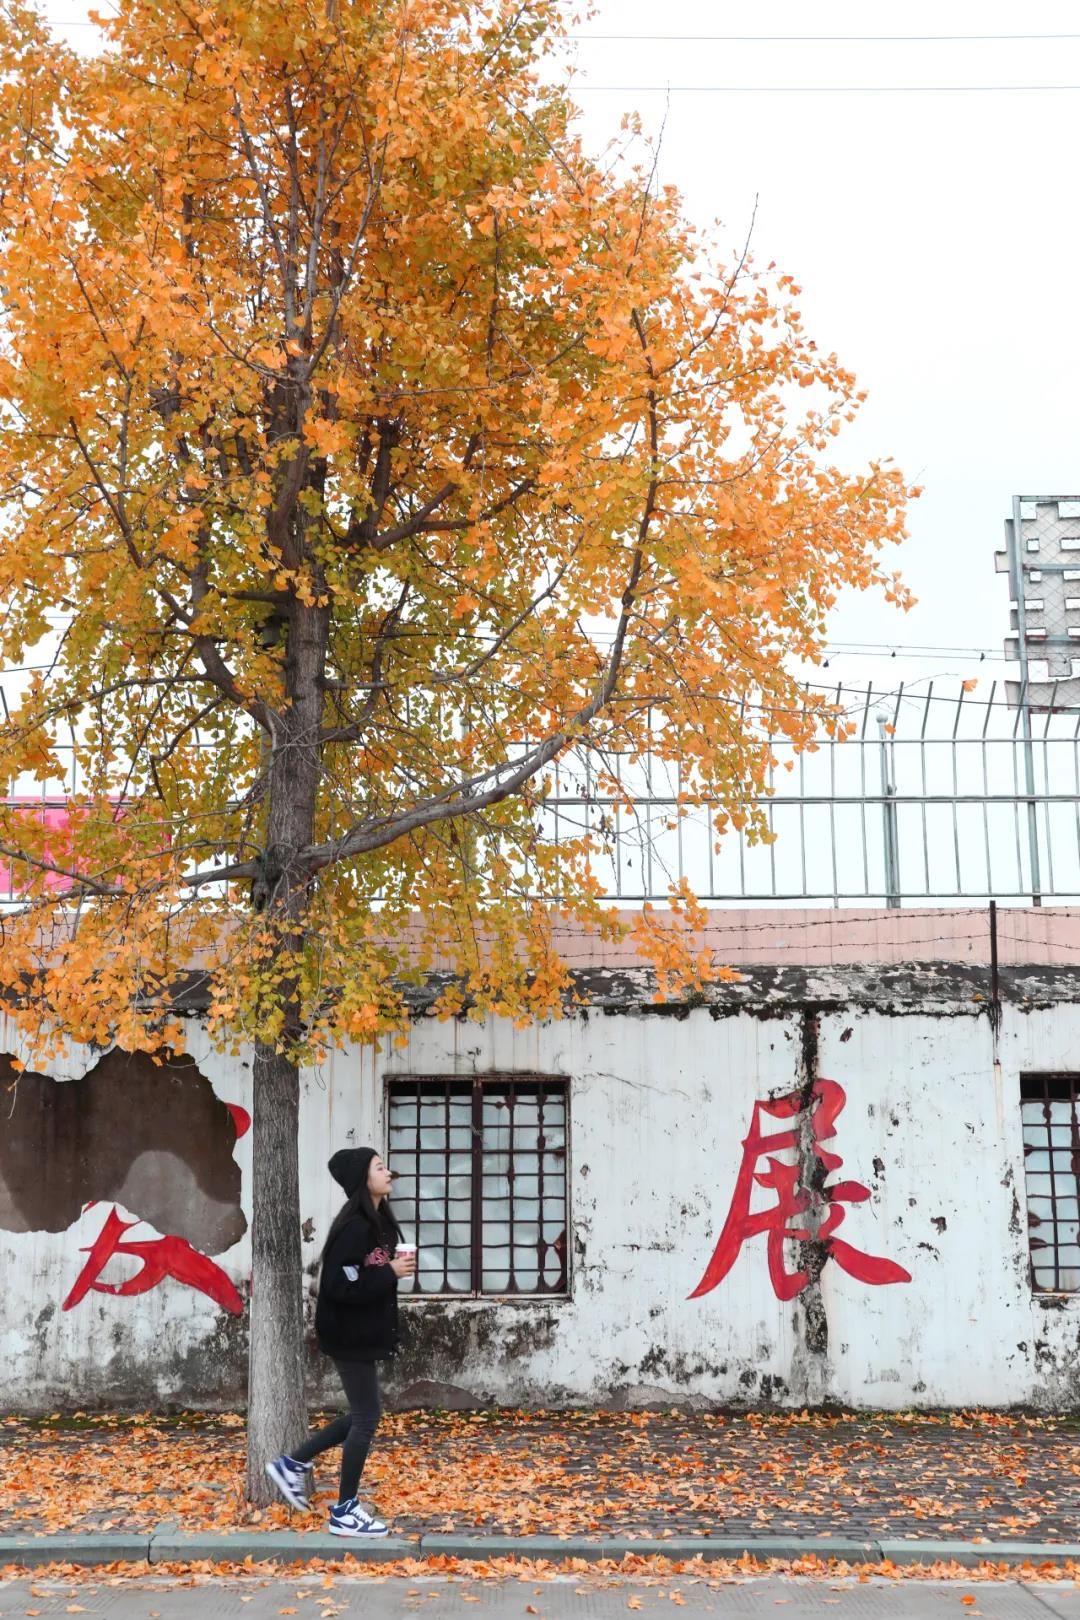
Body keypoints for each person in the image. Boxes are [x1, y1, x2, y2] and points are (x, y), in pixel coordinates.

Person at [265, 1146, 417, 1537]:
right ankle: (345, 1510)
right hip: (346, 1331)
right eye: (380, 1168)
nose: (388, 1173)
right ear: (362, 1180)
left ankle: (292, 1465)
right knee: (366, 1418)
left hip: (360, 1330)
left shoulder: (378, 1221)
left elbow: (361, 1275)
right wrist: (390, 1273)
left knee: (364, 1414)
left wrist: (389, 1271)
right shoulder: (355, 1226)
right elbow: (336, 1283)